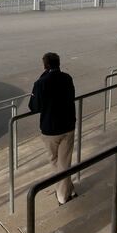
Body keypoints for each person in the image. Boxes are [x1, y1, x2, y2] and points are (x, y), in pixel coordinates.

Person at [29, 52, 78, 205]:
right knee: (64, 162)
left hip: (50, 129)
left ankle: (62, 196)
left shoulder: (40, 83)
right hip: (68, 125)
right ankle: (68, 188)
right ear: (58, 63)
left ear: (45, 65)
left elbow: (34, 107)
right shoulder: (67, 78)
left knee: (55, 161)